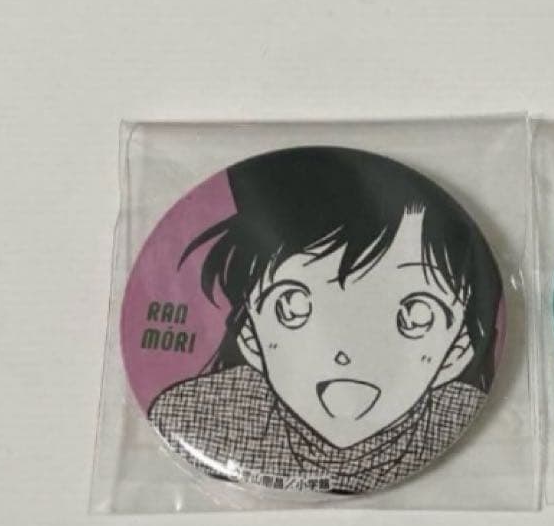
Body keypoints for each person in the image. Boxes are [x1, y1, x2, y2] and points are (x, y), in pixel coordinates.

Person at [149, 146, 502, 494]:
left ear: (458, 351)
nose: (347, 351)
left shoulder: (460, 419)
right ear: (250, 336)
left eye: (415, 314)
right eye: (292, 306)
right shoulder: (202, 420)